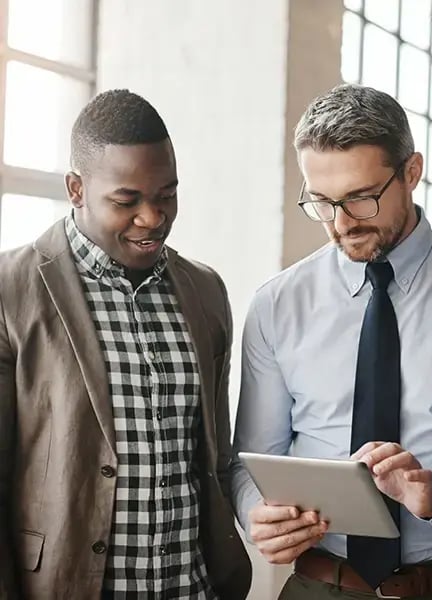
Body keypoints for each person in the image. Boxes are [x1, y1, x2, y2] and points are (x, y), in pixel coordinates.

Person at [231, 83, 432, 599]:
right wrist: (258, 511)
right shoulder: (277, 304)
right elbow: (251, 458)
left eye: (362, 198)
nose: (341, 224)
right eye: (321, 201)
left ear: (411, 172)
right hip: (320, 586)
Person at [0, 89, 252, 599]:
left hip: (194, 587)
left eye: (167, 195)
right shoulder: (11, 289)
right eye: (127, 200)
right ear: (76, 189)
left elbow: (216, 457)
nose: (153, 217)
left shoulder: (205, 291)